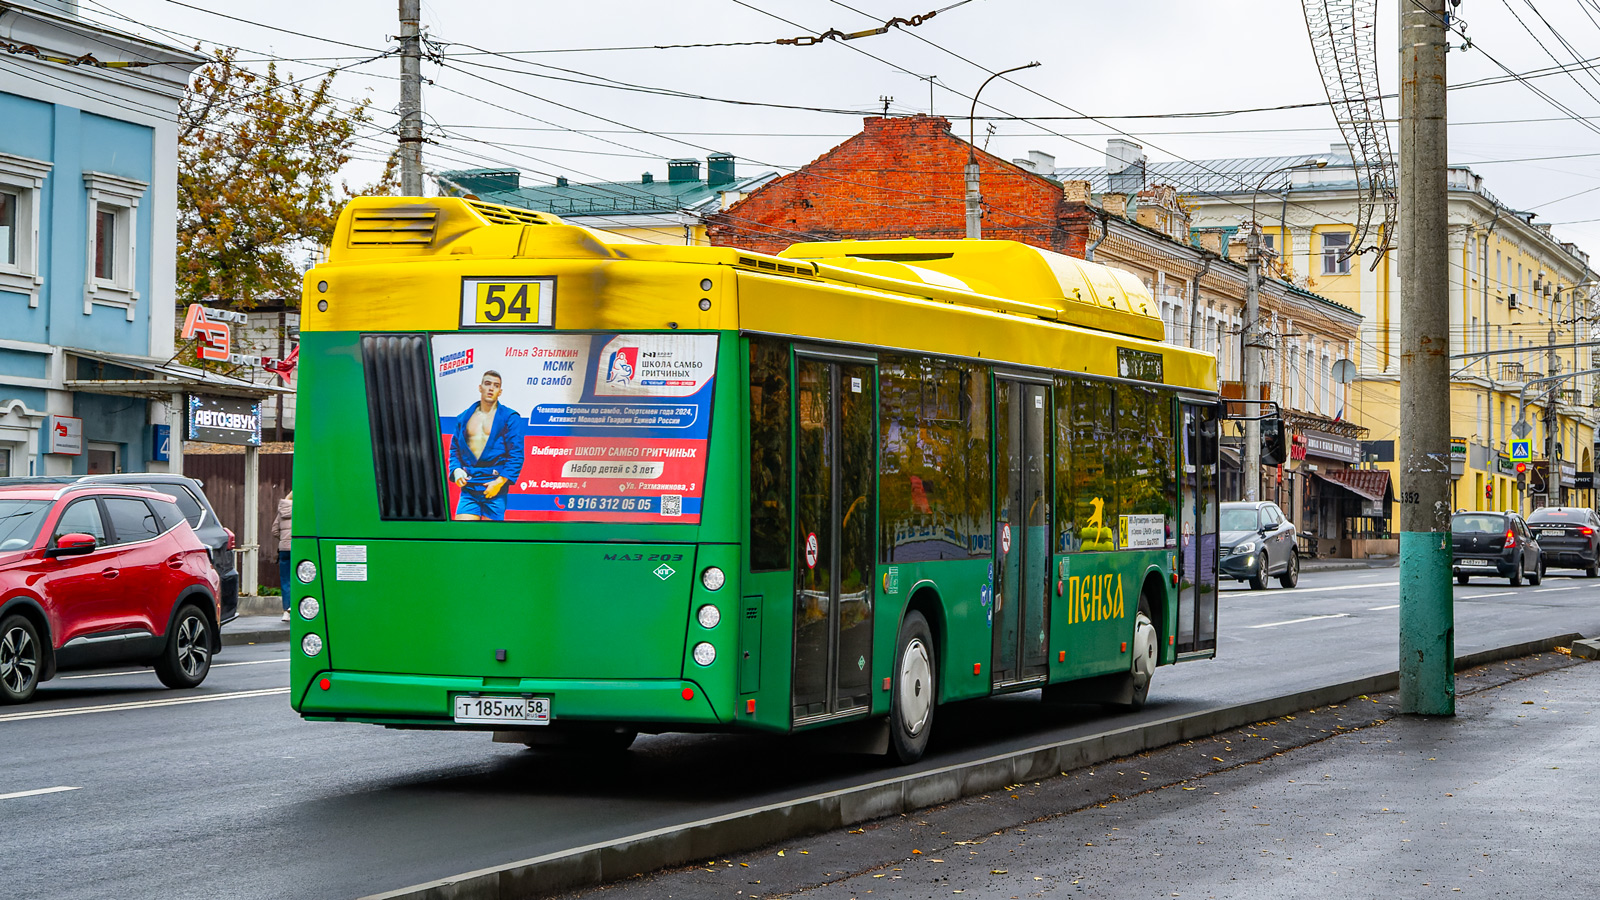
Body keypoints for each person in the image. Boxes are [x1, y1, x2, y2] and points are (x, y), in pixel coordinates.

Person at [448, 370, 525, 521]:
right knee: (463, 536)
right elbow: (454, 450)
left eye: (496, 386)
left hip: (494, 487)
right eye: (487, 383)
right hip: (469, 487)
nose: (491, 388)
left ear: (500, 391)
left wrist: (499, 483)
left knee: (491, 539)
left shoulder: (510, 418)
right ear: (480, 387)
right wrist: (456, 470)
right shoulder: (463, 418)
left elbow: (516, 455)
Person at [272, 491, 293, 622]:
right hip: (298, 548)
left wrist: (283, 540)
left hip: (284, 549)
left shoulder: (282, 510)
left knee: (285, 579)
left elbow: (274, 530)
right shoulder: (301, 509)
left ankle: (286, 611)